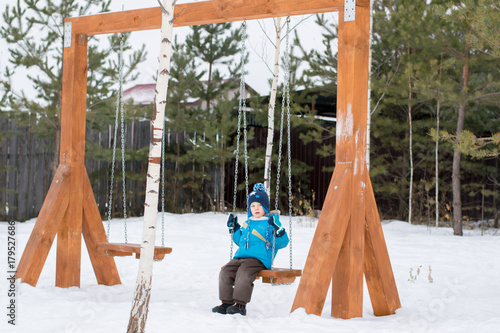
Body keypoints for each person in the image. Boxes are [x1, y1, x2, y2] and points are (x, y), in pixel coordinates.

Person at [212, 183, 289, 316]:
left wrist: (279, 230)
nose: (256, 208)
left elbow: (282, 243)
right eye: (253, 205)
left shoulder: (270, 223)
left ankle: (240, 304)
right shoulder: (248, 223)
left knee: (244, 273)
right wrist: (234, 228)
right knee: (225, 271)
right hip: (241, 256)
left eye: (259, 205)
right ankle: (227, 302)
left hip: (258, 259)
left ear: (265, 207)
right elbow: (240, 241)